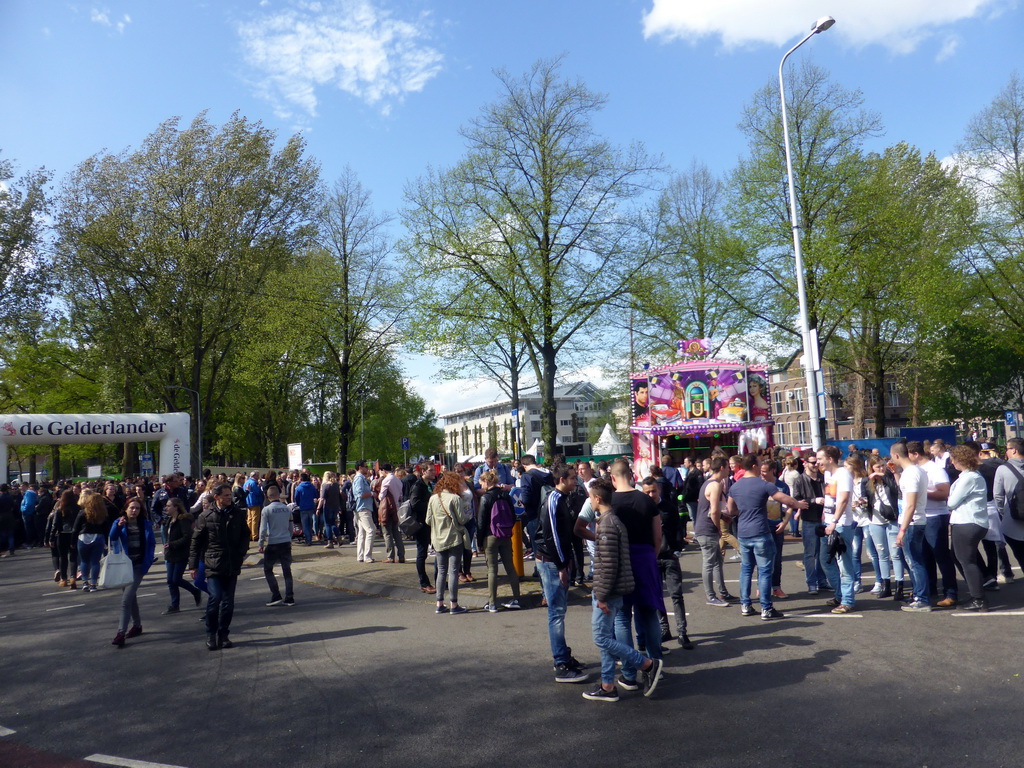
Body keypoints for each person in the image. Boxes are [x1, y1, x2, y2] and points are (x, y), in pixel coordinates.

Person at [582, 478, 664, 703]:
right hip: (618, 585)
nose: (590, 501)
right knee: (607, 635)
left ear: (598, 498)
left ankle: (646, 664)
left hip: (609, 590)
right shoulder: (612, 520)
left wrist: (601, 595)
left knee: (601, 637)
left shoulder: (607, 523)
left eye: (590, 497)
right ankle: (608, 685)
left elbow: (607, 564)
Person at [728, 453, 807, 620]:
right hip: (760, 532)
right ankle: (766, 608)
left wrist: (743, 511)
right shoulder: (763, 485)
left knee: (746, 569)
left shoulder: (735, 486)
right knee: (764, 571)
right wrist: (798, 504)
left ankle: (746, 605)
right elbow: (785, 500)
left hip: (743, 532)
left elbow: (731, 510)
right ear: (755, 466)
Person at [534, 463, 589, 683]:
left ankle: (564, 654)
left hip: (554, 560)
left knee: (559, 611)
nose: (576, 482)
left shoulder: (562, 499)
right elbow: (552, 537)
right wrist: (562, 566)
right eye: (573, 478)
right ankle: (561, 663)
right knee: (556, 612)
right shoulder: (553, 500)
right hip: (550, 562)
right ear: (561, 480)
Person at [189, 482, 251, 651]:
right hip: (213, 563)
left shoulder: (237, 514)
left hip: (232, 563)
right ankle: (211, 633)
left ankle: (223, 634)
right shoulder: (206, 516)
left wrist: (241, 552)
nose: (229, 498)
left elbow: (246, 535)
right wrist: (193, 565)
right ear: (216, 497)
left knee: (228, 603)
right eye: (225, 495)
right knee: (215, 597)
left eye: (230, 495)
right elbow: (196, 542)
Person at [642, 476, 693, 650]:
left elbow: (679, 530)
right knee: (657, 597)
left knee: (676, 594)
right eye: (647, 492)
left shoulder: (669, 508)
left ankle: (682, 632)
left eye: (653, 491)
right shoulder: (643, 509)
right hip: (652, 559)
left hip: (669, 557)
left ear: (659, 490)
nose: (650, 495)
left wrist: (677, 550)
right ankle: (664, 629)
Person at [910, 441, 958, 608]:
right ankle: (930, 589)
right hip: (922, 517)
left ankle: (951, 593)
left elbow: (945, 492)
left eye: (907, 455)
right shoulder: (915, 470)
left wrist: (922, 493)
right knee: (924, 556)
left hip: (936, 516)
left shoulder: (935, 469)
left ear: (915, 454)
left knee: (941, 555)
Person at [108, 497, 156, 647]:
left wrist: (147, 562)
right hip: (124, 565)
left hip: (138, 566)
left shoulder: (146, 524)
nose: (134, 511)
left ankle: (120, 633)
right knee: (131, 597)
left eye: (137, 508)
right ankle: (137, 625)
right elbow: (112, 537)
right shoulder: (119, 522)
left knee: (125, 600)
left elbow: (151, 544)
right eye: (131, 508)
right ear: (126, 509)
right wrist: (118, 526)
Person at [947, 445, 989, 611]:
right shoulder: (968, 476)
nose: (952, 462)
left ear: (960, 460)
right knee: (959, 558)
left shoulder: (969, 477)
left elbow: (952, 502)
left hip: (968, 522)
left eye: (954, 459)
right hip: (966, 521)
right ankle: (976, 593)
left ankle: (979, 598)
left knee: (967, 561)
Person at [817, 446, 858, 614]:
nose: (817, 462)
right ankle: (840, 594)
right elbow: (829, 499)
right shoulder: (828, 475)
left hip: (841, 524)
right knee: (825, 560)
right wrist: (824, 517)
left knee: (844, 563)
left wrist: (834, 521)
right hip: (828, 523)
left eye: (820, 458)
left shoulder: (843, 475)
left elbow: (843, 500)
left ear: (830, 459)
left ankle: (847, 600)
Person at [892, 442, 931, 612]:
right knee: (910, 560)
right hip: (913, 521)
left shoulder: (912, 473)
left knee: (914, 561)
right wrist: (895, 474)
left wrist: (902, 530)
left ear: (897, 456)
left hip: (912, 523)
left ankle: (922, 599)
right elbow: (906, 491)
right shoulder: (914, 471)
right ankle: (918, 595)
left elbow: (910, 505)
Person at [476, 470, 522, 612]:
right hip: (506, 535)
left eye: (482, 482)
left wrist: (479, 542)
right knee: (510, 567)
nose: (481, 485)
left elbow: (481, 521)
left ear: (487, 482)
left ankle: (492, 603)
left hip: (491, 536)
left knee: (492, 570)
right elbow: (513, 516)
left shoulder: (486, 498)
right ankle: (516, 598)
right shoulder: (506, 495)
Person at [426, 471, 470, 615]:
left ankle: (439, 603)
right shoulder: (455, 499)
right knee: (453, 571)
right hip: (453, 538)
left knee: (441, 571)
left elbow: (427, 520)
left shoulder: (433, 498)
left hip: (437, 539)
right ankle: (453, 604)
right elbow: (462, 520)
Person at [694, 457, 733, 606]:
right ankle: (711, 596)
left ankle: (723, 593)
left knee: (717, 561)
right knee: (709, 563)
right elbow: (714, 511)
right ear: (722, 468)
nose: (729, 469)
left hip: (705, 527)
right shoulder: (715, 485)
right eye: (728, 467)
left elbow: (710, 509)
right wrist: (718, 527)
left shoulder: (708, 483)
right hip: (707, 529)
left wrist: (724, 517)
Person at [864, 456, 899, 599]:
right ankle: (886, 585)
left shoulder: (889, 479)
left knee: (896, 554)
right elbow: (865, 497)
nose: (881, 469)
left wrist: (884, 475)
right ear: (871, 468)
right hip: (875, 520)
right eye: (877, 467)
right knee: (882, 554)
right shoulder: (867, 482)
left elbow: (896, 489)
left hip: (892, 519)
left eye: (883, 466)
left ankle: (899, 586)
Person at [160, 498, 203, 613]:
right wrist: (167, 546)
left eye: (169, 506)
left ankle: (195, 591)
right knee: (170, 580)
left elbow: (187, 537)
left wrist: (172, 544)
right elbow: (168, 536)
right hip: (170, 554)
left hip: (181, 554)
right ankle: (175, 605)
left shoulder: (182, 520)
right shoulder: (169, 520)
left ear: (176, 507)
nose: (166, 508)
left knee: (176, 579)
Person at [259, 485, 295, 607]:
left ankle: (276, 594)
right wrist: (289, 538)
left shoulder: (266, 510)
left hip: (273, 542)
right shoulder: (287, 509)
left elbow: (263, 529)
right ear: (279, 496)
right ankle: (289, 597)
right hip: (285, 542)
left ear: (268, 497)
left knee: (268, 569)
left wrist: (261, 543)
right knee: (287, 570)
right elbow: (291, 527)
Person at [73, 493, 110, 593]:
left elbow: (76, 528)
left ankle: (85, 582)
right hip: (98, 537)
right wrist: (107, 542)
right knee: (95, 561)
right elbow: (106, 529)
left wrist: (72, 541)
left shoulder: (82, 512)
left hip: (83, 537)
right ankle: (93, 584)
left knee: (84, 561)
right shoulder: (103, 513)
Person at [50, 490, 80, 588]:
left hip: (62, 534)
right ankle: (73, 577)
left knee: (63, 557)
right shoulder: (78, 509)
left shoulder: (60, 509)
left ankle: (63, 579)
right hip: (74, 534)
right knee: (73, 557)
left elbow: (55, 525)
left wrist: (51, 538)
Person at [378, 464, 405, 564]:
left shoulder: (386, 480)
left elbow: (382, 496)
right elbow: (401, 495)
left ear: (384, 470)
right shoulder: (398, 480)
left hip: (387, 509)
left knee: (387, 533)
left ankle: (390, 556)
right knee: (396, 533)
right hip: (396, 508)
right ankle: (401, 555)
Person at [292, 472, 319, 546]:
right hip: (311, 507)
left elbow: (296, 498)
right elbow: (315, 495)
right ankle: (310, 538)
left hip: (303, 508)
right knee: (310, 524)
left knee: (304, 525)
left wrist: (298, 504)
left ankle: (308, 540)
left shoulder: (299, 488)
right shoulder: (312, 486)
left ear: (301, 479)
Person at [318, 471, 342, 549]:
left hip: (327, 506)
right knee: (333, 523)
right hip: (335, 506)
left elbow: (322, 498)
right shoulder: (336, 485)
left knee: (328, 524)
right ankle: (339, 537)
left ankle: (330, 542)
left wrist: (318, 508)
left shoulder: (325, 485)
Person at [243, 471, 265, 542]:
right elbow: (258, 492)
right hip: (255, 502)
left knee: (249, 519)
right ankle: (254, 535)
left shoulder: (246, 482)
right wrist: (260, 486)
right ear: (254, 476)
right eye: (257, 475)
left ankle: (248, 534)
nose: (258, 477)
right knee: (255, 519)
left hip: (248, 502)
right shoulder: (254, 483)